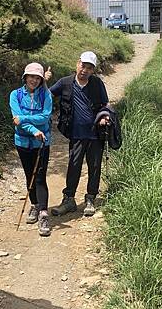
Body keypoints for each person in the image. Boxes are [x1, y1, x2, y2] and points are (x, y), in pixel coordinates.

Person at [47, 51, 109, 217]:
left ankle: (90, 198)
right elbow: (47, 96)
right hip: (76, 134)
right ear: (77, 64)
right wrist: (43, 81)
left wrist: (104, 116)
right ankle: (69, 200)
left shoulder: (97, 84)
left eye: (89, 67)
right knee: (74, 166)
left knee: (94, 166)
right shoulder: (65, 83)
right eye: (83, 65)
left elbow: (105, 104)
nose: (85, 70)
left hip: (96, 134)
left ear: (93, 70)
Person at [10, 63, 53, 237]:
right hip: (22, 142)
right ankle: (34, 204)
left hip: (42, 142)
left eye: (37, 77)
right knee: (29, 174)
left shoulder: (46, 95)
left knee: (40, 177)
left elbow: (45, 117)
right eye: (30, 76)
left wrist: (24, 118)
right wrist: (33, 130)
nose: (33, 80)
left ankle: (43, 213)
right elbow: (16, 119)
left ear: (41, 79)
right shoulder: (15, 95)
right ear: (25, 77)